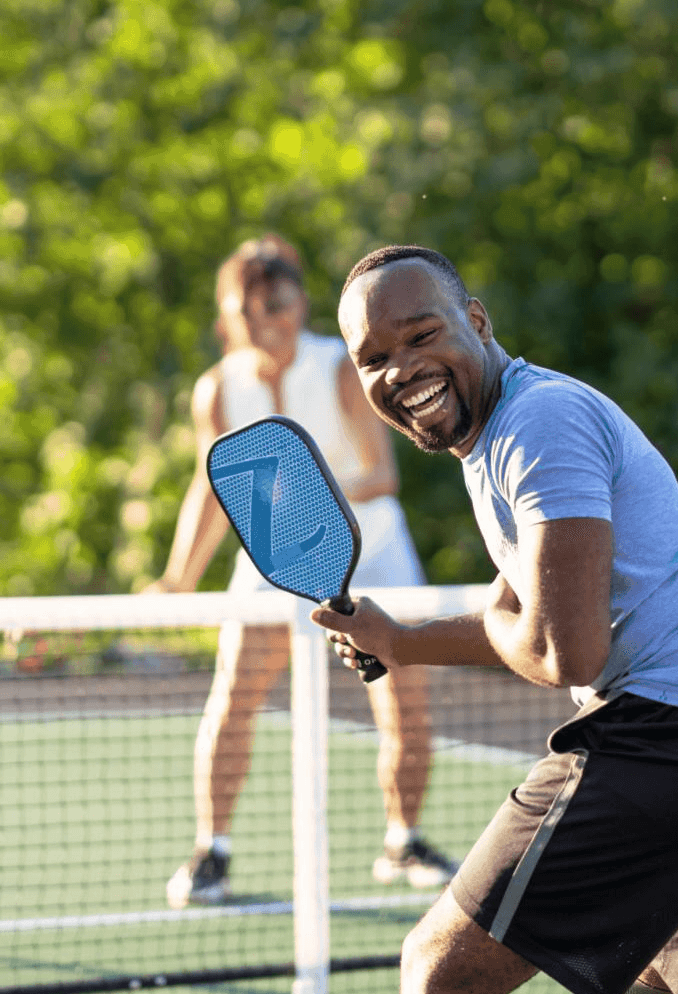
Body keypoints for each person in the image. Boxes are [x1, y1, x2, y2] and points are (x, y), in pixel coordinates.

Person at [316, 245, 678, 994]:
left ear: (479, 321)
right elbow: (520, 610)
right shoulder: (504, 432)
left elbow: (567, 653)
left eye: (422, 336)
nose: (401, 369)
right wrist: (399, 640)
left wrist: (497, 627)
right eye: (374, 358)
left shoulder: (539, 425)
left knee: (439, 974)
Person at [149, 235, 456, 908]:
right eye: (249, 309)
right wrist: (177, 578)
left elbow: (381, 474)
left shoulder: (341, 368)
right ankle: (213, 851)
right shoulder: (217, 390)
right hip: (269, 564)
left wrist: (308, 511)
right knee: (233, 696)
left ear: (299, 303)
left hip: (372, 552)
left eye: (277, 303)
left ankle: (403, 840)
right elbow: (211, 490)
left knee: (404, 700)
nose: (266, 320)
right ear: (229, 317)